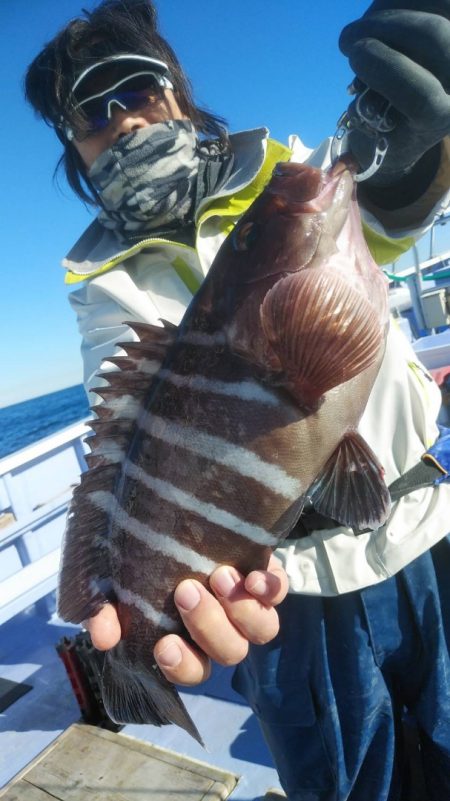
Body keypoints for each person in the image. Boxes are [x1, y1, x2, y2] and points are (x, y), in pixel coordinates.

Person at [25, 1, 450, 798]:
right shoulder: (101, 285)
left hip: (424, 529)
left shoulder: (281, 172)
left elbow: (380, 201)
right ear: (72, 144)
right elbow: (130, 422)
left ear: (178, 92)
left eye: (135, 87)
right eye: (89, 111)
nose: (119, 118)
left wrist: (412, 133)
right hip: (286, 594)